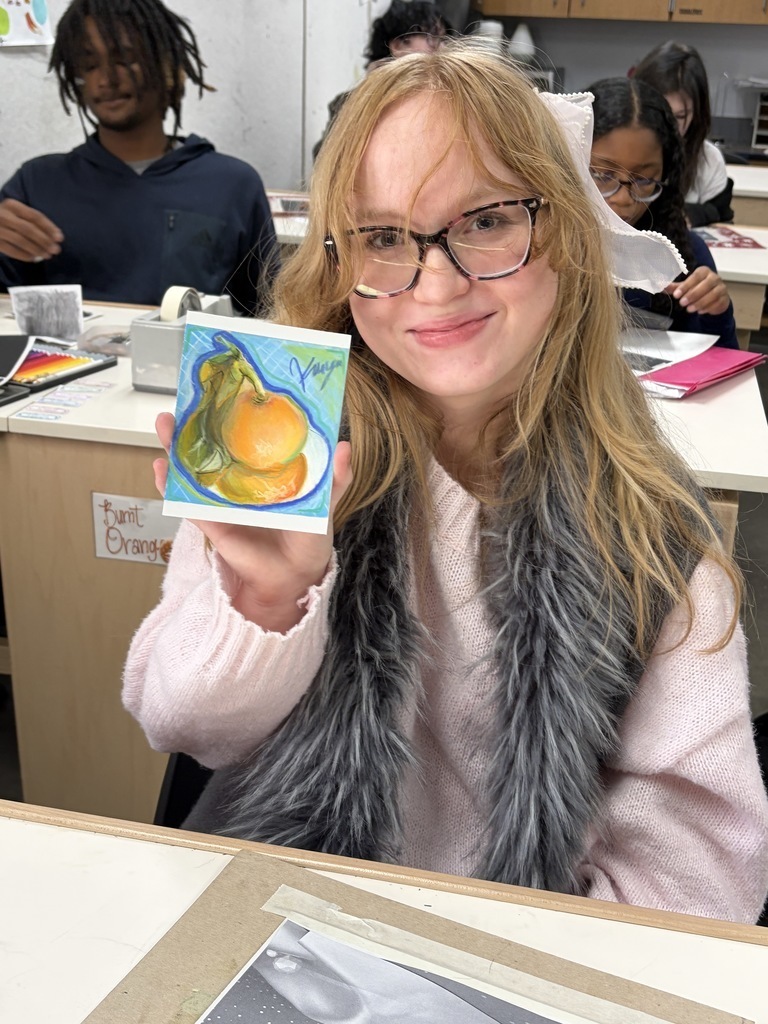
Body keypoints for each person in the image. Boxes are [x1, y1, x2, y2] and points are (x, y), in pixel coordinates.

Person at [123, 43, 768, 922]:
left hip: (518, 956)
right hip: (287, 920)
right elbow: (181, 725)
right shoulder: (279, 437)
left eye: (488, 220)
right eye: (384, 237)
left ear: (569, 238)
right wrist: (265, 604)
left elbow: (700, 879)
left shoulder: (651, 534)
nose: (434, 280)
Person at [0, 0, 278, 313]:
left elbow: (266, 312)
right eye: (89, 65)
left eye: (126, 59)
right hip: (63, 360)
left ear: (167, 66)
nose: (106, 79)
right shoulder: (36, 184)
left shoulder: (232, 185)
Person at [589, 76, 738, 348]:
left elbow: (722, 364)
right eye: (601, 175)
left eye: (645, 181)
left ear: (665, 177)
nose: (623, 199)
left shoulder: (684, 255)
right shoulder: (540, 248)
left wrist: (716, 312)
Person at [312, 0, 452, 160]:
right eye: (432, 39)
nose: (442, 48)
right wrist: (365, 100)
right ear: (399, 45)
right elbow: (325, 163)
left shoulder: (449, 98)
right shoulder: (350, 103)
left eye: (444, 40)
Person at [632, 41, 733, 228]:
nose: (668, 125)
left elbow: (719, 217)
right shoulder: (617, 150)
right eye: (659, 111)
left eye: (680, 116)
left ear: (697, 114)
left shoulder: (708, 160)